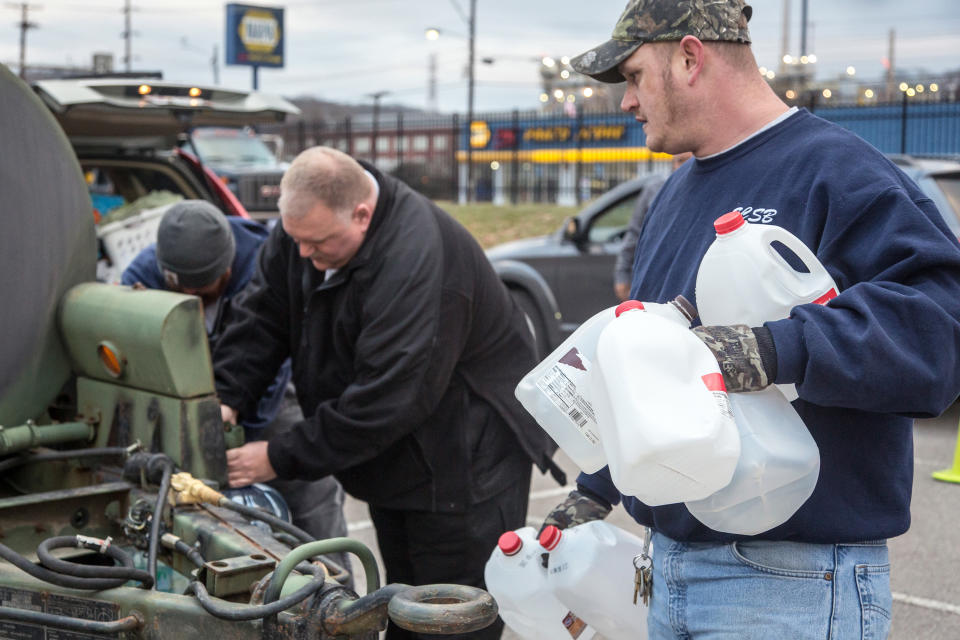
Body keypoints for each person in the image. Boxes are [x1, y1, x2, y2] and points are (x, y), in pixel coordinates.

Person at [542, 1, 960, 638]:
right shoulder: (673, 194)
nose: (626, 103)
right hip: (670, 567)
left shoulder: (838, 172)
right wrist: (599, 482)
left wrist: (774, 348)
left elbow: (940, 333)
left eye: (632, 76)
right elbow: (661, 360)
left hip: (789, 580)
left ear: (689, 57)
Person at [212, 147, 561, 640]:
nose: (306, 258)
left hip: (464, 465)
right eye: (296, 242)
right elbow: (262, 316)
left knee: (446, 620)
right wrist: (228, 395)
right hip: (399, 459)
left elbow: (390, 395)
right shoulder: (305, 235)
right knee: (401, 605)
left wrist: (278, 455)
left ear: (361, 213)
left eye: (318, 244)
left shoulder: (416, 256)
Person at [121, 201, 350, 578]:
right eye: (184, 289)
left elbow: (270, 357)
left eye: (204, 290)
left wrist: (256, 447)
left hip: (265, 391)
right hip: (179, 394)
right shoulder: (147, 270)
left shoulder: (262, 262)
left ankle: (339, 590)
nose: (195, 297)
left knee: (309, 487)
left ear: (227, 269)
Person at [613, 151, 692, 301]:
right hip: (656, 281)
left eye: (689, 161)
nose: (684, 166)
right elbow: (634, 234)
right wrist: (622, 275)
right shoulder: (655, 189)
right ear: (673, 163)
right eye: (680, 161)